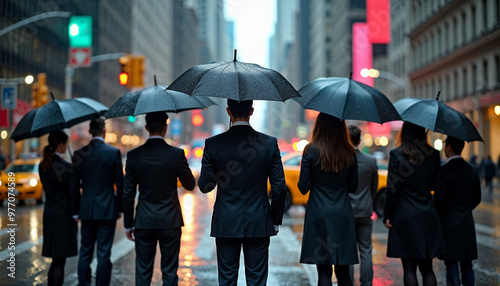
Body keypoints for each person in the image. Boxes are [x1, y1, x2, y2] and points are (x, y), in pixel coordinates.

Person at [198, 99, 286, 286]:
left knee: (227, 279)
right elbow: (279, 188)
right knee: (257, 280)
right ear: (252, 111)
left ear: (228, 111)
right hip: (259, 222)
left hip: (226, 222)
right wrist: (275, 220)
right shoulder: (269, 143)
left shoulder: (213, 144)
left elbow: (205, 186)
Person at [123, 111, 196, 285]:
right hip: (170, 221)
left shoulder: (134, 156)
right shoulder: (176, 154)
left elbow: (128, 193)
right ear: (166, 127)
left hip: (144, 221)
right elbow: (190, 185)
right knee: (170, 271)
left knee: (143, 271)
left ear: (147, 127)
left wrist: (128, 223)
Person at [298, 113, 359, 286]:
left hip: (319, 215)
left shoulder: (310, 150)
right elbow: (353, 187)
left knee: (323, 271)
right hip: (343, 214)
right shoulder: (349, 151)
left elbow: (303, 187)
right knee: (344, 272)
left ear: (319, 126)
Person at [383, 122, 445, 286]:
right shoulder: (433, 154)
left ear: (405, 133)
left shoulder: (396, 154)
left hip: (404, 215)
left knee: (409, 268)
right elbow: (438, 187)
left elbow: (392, 189)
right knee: (427, 267)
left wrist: (388, 215)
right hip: (426, 214)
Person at [71, 117, 124, 286]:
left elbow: (74, 186)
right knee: (103, 253)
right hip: (107, 209)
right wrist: (120, 209)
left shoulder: (79, 154)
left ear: (89, 132)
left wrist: (75, 210)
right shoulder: (113, 153)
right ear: (104, 132)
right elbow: (120, 185)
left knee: (85, 251)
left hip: (86, 209)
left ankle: (84, 284)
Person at [435, 136, 481, 285]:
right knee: (468, 266)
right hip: (466, 222)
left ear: (449, 147)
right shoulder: (472, 170)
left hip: (449, 225)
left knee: (452, 265)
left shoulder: (443, 171)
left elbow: (439, 201)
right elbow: (477, 198)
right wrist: (465, 208)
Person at [39, 130, 78, 286]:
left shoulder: (43, 166)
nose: (67, 146)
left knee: (55, 260)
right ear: (61, 144)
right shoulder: (66, 167)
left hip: (50, 214)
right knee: (59, 261)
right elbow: (73, 194)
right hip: (64, 217)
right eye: (66, 143)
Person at [347, 125, 378, 286]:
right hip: (365, 210)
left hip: (346, 212)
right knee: (366, 251)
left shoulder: (342, 159)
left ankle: (349, 282)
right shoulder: (371, 161)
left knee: (348, 251)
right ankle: (366, 283)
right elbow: (374, 187)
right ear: (359, 140)